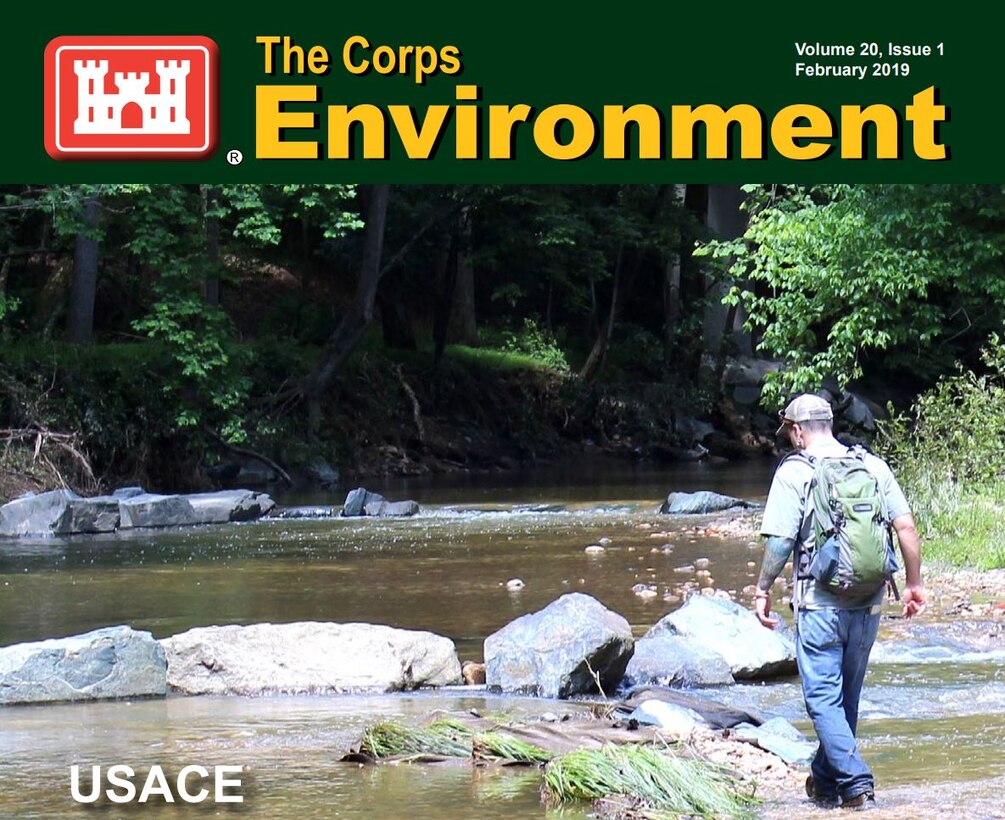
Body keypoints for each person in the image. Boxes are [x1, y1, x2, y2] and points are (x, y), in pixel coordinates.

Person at [752, 393, 926, 811]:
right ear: (830, 423)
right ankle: (826, 784)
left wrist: (762, 589)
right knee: (846, 699)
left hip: (819, 603)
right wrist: (914, 584)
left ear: (796, 431)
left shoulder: (795, 471)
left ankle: (856, 782)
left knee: (822, 700)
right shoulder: (871, 464)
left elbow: (779, 540)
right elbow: (905, 526)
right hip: (867, 604)